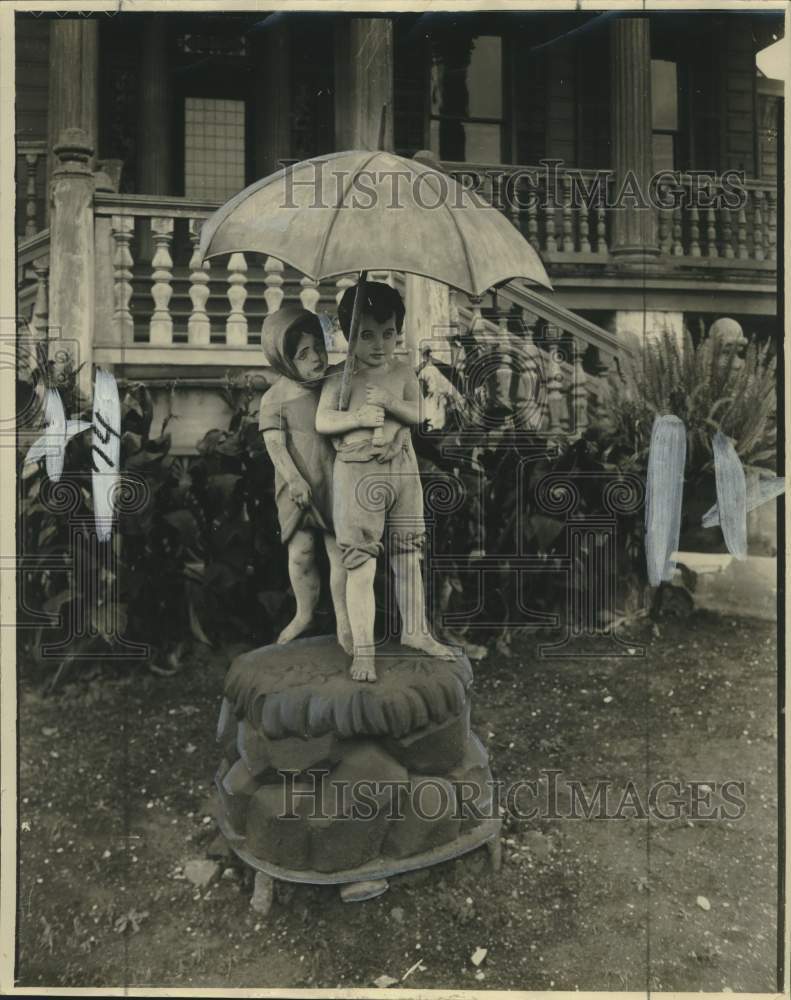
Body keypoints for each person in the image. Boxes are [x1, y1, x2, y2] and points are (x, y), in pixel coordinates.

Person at [316, 282, 454, 682]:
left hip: (402, 469)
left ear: (399, 332)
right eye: (367, 335)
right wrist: (358, 417)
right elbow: (323, 421)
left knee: (408, 553)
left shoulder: (401, 371)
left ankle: (416, 631)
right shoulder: (340, 377)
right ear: (348, 335)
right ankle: (363, 649)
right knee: (360, 561)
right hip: (359, 473)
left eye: (389, 333)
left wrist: (392, 404)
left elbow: (419, 413)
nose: (380, 344)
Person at [259, 305, 352, 652]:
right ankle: (304, 612)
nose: (316, 359)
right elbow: (275, 445)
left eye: (319, 348)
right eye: (303, 354)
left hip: (332, 479)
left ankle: (345, 619)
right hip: (296, 486)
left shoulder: (331, 385)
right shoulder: (274, 399)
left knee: (338, 549)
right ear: (284, 361)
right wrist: (294, 480)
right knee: (301, 552)